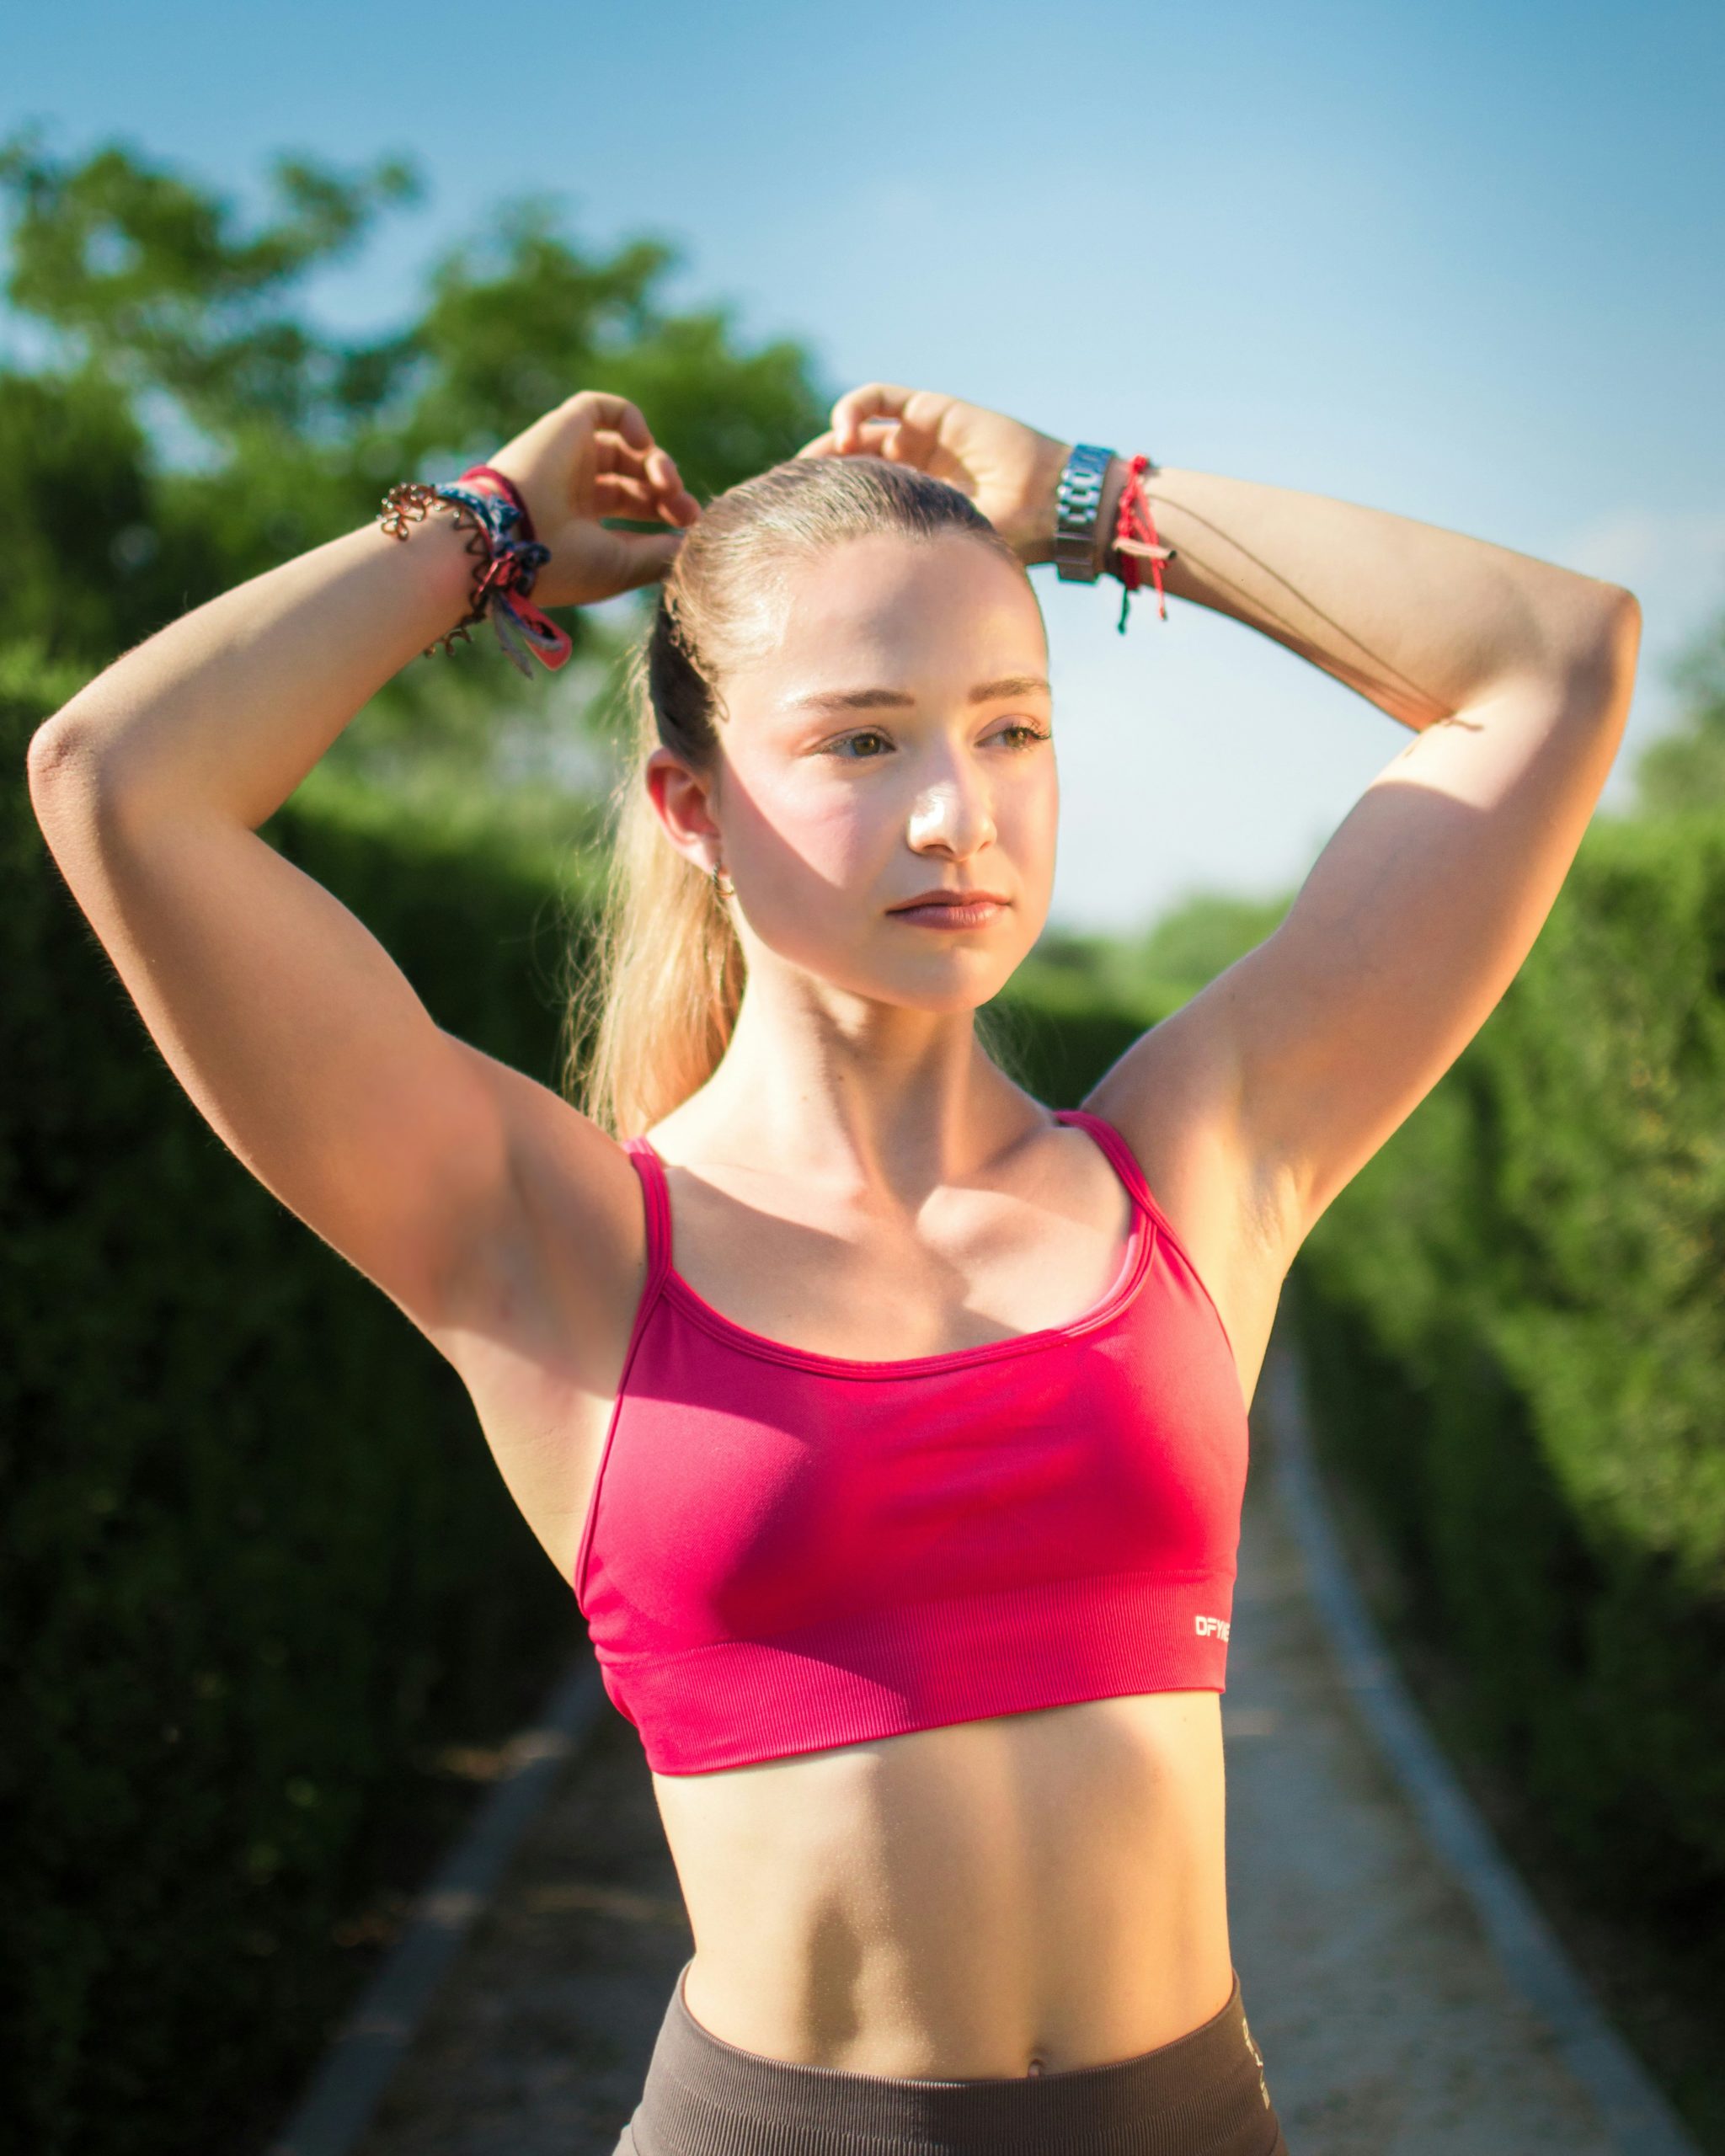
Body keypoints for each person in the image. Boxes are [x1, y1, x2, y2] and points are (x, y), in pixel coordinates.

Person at [26, 382, 1641, 2156]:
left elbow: (1557, 659)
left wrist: (1089, 497)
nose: (960, 813)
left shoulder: (1198, 1158)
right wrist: (479, 535)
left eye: (1010, 729)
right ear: (693, 804)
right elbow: (122, 780)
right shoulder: (554, 1241)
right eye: (863, 741)